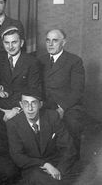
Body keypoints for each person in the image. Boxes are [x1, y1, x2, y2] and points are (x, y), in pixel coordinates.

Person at [6, 90, 78, 184]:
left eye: (33, 103)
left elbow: (69, 147)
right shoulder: (13, 124)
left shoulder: (52, 116)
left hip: (57, 165)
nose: (30, 108)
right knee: (37, 177)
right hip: (33, 168)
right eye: (26, 103)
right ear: (21, 105)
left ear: (40, 104)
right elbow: (17, 156)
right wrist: (44, 164)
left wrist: (59, 171)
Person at [38, 29, 85, 158]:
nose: (50, 44)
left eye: (55, 40)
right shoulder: (40, 60)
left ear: (63, 42)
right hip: (45, 103)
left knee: (73, 122)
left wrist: (62, 108)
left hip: (68, 105)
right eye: (48, 40)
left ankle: (72, 160)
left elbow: (77, 91)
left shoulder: (74, 61)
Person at [0, 26, 41, 145]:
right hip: (2, 103)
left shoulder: (32, 62)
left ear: (21, 43)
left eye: (14, 42)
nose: (10, 46)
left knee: (15, 127)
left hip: (21, 105)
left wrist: (17, 109)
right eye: (7, 43)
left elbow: (34, 90)